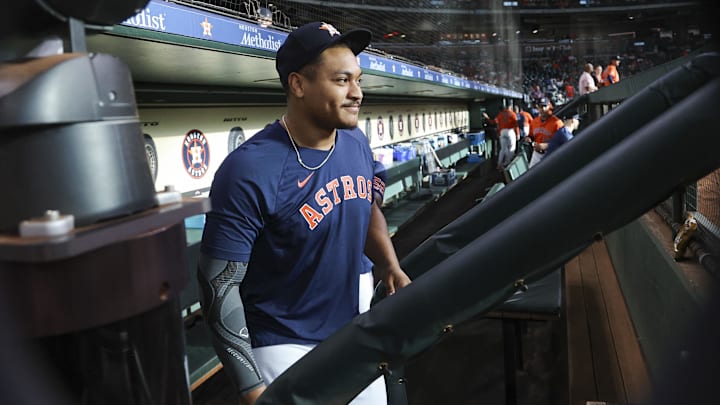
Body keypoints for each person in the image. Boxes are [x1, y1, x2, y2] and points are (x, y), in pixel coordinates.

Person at [197, 21, 411, 405]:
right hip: (283, 343)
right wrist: (249, 387)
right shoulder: (250, 168)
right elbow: (219, 284)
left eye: (358, 80)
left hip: (350, 328)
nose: (357, 93)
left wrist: (389, 264)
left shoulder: (355, 141)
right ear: (298, 85)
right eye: (342, 80)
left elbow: (367, 207)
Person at [525, 97, 563, 168]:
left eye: (545, 106)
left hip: (551, 154)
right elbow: (531, 136)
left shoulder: (557, 123)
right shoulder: (534, 122)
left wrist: (547, 146)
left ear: (549, 106)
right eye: (540, 107)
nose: (543, 109)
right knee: (531, 174)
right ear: (537, 108)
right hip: (537, 154)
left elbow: (562, 142)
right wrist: (529, 138)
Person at [484, 103, 517, 169]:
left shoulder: (500, 114)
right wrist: (518, 133)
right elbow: (516, 124)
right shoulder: (513, 114)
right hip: (510, 131)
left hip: (502, 132)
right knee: (512, 147)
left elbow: (493, 122)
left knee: (503, 149)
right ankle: (507, 162)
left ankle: (499, 164)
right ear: (510, 107)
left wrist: (487, 117)